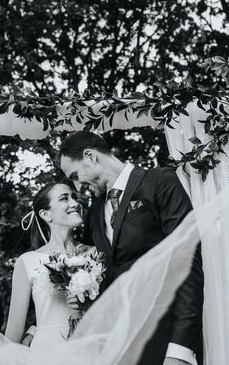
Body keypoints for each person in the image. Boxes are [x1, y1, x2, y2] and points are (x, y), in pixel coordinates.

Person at [59, 131, 204, 365]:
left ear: (91, 157)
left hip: (164, 339)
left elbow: (187, 263)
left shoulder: (159, 181)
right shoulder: (95, 213)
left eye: (75, 175)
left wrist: (181, 348)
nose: (76, 185)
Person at [4, 182, 88, 348]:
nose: (75, 203)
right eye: (65, 198)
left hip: (90, 346)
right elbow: (13, 334)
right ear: (45, 214)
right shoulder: (27, 262)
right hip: (46, 351)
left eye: (74, 197)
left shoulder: (95, 254)